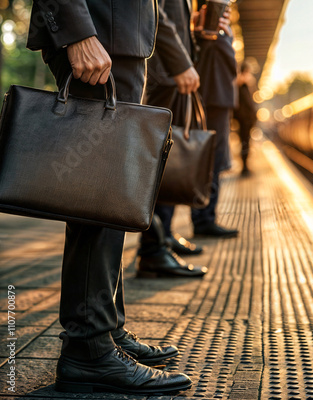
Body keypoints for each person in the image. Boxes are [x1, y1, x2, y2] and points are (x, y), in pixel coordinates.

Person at [27, 0, 192, 394]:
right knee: (99, 192)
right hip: (97, 32)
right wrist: (76, 30)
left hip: (121, 37)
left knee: (111, 193)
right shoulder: (86, 36)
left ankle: (107, 327)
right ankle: (89, 348)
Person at [137, 0, 209, 278]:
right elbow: (155, 10)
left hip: (170, 71)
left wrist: (196, 32)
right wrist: (180, 62)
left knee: (168, 162)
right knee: (160, 163)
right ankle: (154, 249)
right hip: (164, 72)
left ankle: (162, 239)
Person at [190, 0, 239, 236]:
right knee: (212, 161)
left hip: (217, 103)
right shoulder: (208, 38)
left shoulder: (216, 37)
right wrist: (222, 37)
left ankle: (205, 217)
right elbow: (230, 69)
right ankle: (204, 220)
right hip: (213, 103)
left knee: (214, 162)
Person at [234, 60, 257, 175]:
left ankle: (245, 167)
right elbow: (247, 106)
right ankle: (244, 168)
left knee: (245, 142)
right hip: (244, 121)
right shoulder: (241, 87)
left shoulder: (244, 87)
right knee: (245, 143)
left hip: (245, 120)